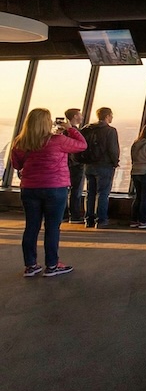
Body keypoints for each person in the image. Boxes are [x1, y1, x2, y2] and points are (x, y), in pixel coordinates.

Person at [11, 108, 86, 277]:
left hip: (29, 188)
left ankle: (30, 265)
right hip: (55, 187)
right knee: (52, 228)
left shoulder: (20, 142)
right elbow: (82, 145)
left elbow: (17, 165)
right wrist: (70, 128)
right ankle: (52, 265)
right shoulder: (58, 140)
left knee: (31, 226)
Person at [83, 107, 119, 228]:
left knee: (90, 192)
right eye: (111, 115)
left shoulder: (87, 129)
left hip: (89, 164)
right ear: (107, 116)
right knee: (103, 193)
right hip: (104, 165)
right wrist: (115, 162)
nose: (112, 117)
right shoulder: (110, 131)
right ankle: (101, 220)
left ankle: (89, 220)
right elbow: (113, 149)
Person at [64, 108, 86, 223]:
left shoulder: (62, 132)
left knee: (64, 190)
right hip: (76, 164)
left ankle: (64, 215)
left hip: (65, 164)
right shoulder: (75, 132)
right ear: (75, 116)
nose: (82, 117)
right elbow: (82, 145)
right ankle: (75, 215)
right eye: (80, 115)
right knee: (76, 191)